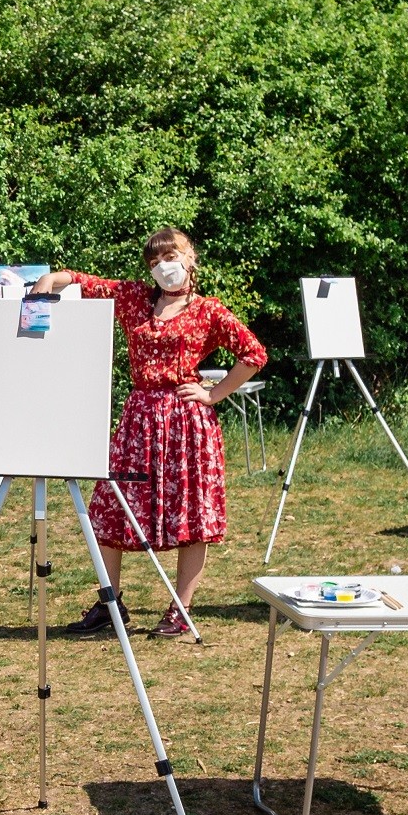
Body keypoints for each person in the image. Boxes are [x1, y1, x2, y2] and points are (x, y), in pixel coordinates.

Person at [33, 229, 267, 638]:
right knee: (110, 507)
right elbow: (88, 284)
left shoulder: (208, 311)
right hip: (139, 421)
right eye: (155, 262)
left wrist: (214, 393)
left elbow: (254, 354)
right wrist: (50, 279)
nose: (163, 267)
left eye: (170, 257)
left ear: (190, 257)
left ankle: (181, 609)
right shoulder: (135, 299)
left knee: (191, 513)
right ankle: (110, 604)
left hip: (187, 425)